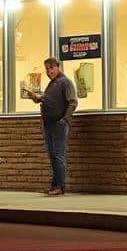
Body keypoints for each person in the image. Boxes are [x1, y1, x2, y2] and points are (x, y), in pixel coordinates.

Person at [29, 56, 77, 195]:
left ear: (57, 67)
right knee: (52, 155)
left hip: (59, 124)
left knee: (58, 155)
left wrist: (65, 119)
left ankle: (60, 186)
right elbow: (45, 99)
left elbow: (73, 102)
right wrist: (36, 98)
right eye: (46, 69)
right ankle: (54, 184)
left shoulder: (65, 82)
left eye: (51, 68)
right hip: (48, 125)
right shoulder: (52, 84)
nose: (48, 71)